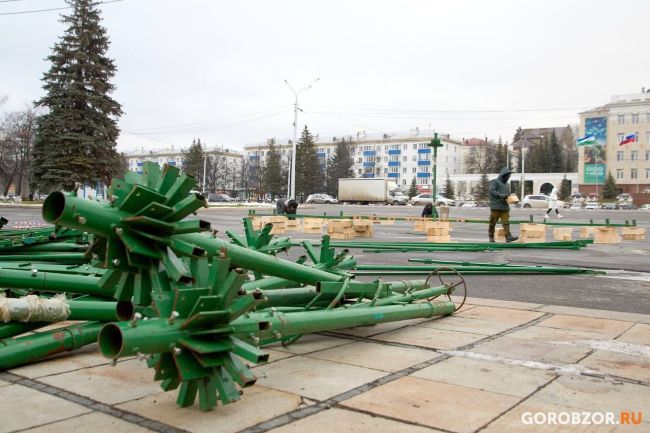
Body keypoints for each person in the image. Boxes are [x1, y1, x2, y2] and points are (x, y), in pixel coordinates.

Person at [488, 167, 519, 243]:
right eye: (507, 176)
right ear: (503, 176)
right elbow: (492, 190)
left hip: (505, 207)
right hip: (496, 207)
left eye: (509, 176)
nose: (508, 178)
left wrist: (512, 200)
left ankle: (508, 236)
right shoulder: (495, 182)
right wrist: (500, 195)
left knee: (506, 223)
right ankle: (491, 236)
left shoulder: (507, 184)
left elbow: (507, 195)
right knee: (492, 223)